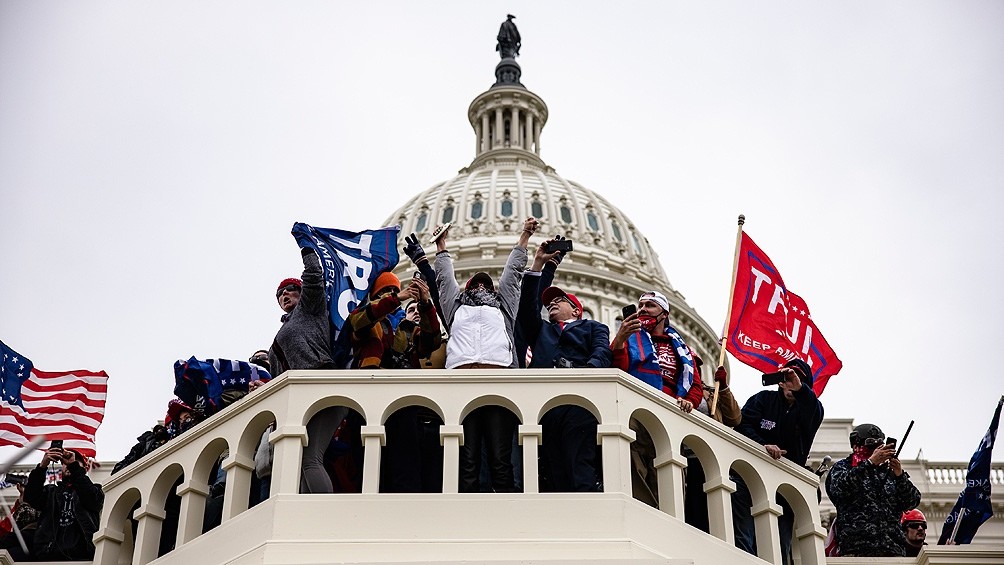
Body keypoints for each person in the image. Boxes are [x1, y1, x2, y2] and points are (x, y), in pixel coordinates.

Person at [433, 218, 534, 492]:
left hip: (498, 383)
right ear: (466, 289)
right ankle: (464, 511)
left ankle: (504, 509)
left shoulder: (503, 308)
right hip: (461, 384)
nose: (480, 287)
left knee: (501, 454)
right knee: (467, 455)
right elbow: (444, 280)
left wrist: (524, 237)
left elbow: (513, 275)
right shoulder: (455, 308)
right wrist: (441, 246)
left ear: (492, 290)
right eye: (475, 285)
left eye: (485, 285)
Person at [518, 240, 613, 491]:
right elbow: (527, 307)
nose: (551, 303)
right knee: (552, 467)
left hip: (578, 401)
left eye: (558, 300)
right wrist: (538, 264)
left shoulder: (593, 328)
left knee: (579, 463)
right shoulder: (541, 331)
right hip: (544, 404)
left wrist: (586, 374)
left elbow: (602, 351)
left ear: (576, 310)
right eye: (549, 301)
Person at [346, 272, 444, 492]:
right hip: (368, 398)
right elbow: (358, 322)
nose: (391, 295)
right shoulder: (366, 320)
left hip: (402, 401)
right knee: (370, 465)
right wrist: (397, 298)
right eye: (384, 292)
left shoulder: (406, 329)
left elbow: (432, 340)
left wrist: (426, 304)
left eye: (393, 291)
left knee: (406, 466)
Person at [268, 246, 346, 493]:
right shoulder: (284, 329)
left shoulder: (309, 309)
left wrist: (306, 248)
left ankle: (322, 514)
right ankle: (304, 516)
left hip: (321, 385)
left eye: (290, 289)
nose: (284, 294)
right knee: (301, 462)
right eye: (280, 293)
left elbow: (314, 274)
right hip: (300, 400)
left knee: (310, 458)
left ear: (302, 294)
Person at [733, 359, 824, 563]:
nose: (791, 383)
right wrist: (763, 445)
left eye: (799, 380)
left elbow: (813, 410)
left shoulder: (810, 410)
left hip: (785, 486)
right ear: (780, 382)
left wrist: (799, 388)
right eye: (788, 379)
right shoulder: (763, 400)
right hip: (751, 476)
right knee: (743, 534)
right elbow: (742, 424)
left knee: (779, 545)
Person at [824, 423, 922, 557]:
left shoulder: (889, 473)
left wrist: (900, 476)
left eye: (879, 444)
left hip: (892, 551)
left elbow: (912, 501)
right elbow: (838, 489)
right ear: (856, 445)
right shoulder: (844, 467)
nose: (876, 449)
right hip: (857, 551)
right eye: (871, 444)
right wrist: (869, 464)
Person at [611, 291, 705, 413]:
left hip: (671, 409)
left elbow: (695, 385)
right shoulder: (629, 338)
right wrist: (620, 339)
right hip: (634, 401)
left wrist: (689, 401)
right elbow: (616, 369)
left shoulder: (682, 350)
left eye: (650, 305)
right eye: (640, 306)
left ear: (664, 314)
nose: (642, 310)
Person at [24, 446, 104, 561]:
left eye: (75, 462)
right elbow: (31, 497)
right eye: (65, 463)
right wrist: (42, 466)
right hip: (49, 556)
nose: (68, 464)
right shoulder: (50, 492)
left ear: (85, 468)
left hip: (81, 557)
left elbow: (93, 500)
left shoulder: (94, 489)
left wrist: (74, 466)